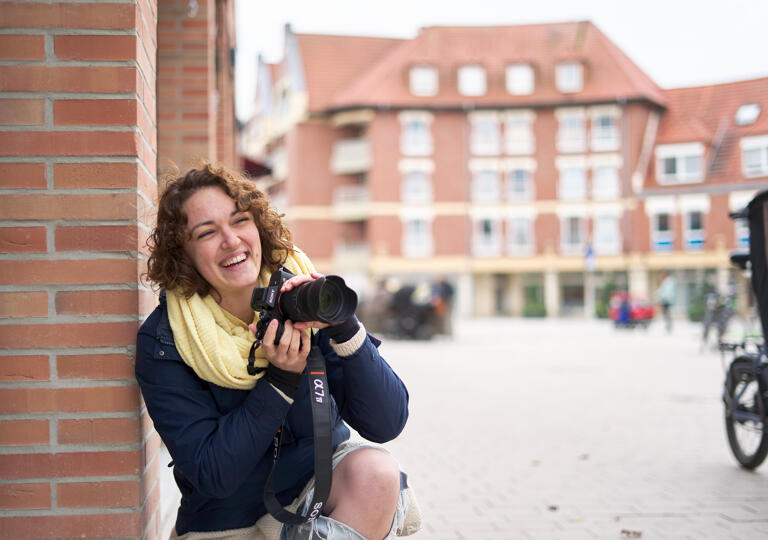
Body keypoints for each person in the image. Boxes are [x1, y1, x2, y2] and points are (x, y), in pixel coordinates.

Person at [135, 164, 418, 539]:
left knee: (376, 473)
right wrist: (280, 382)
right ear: (182, 253)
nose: (231, 240)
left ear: (258, 227)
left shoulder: (298, 297)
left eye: (240, 220)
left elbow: (386, 423)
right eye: (207, 232)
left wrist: (344, 328)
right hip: (226, 519)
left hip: (313, 491)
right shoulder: (167, 339)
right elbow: (213, 474)